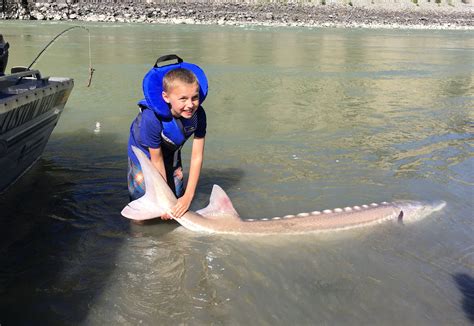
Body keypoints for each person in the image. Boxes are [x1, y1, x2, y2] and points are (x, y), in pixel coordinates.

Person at [127, 55, 208, 220]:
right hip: (145, 154)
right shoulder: (152, 119)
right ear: (166, 97)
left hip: (171, 149)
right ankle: (139, 238)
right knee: (145, 209)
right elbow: (156, 159)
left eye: (195, 97)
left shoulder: (199, 115)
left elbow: (197, 156)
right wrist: (162, 201)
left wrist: (188, 197)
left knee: (178, 202)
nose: (190, 104)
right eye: (183, 99)